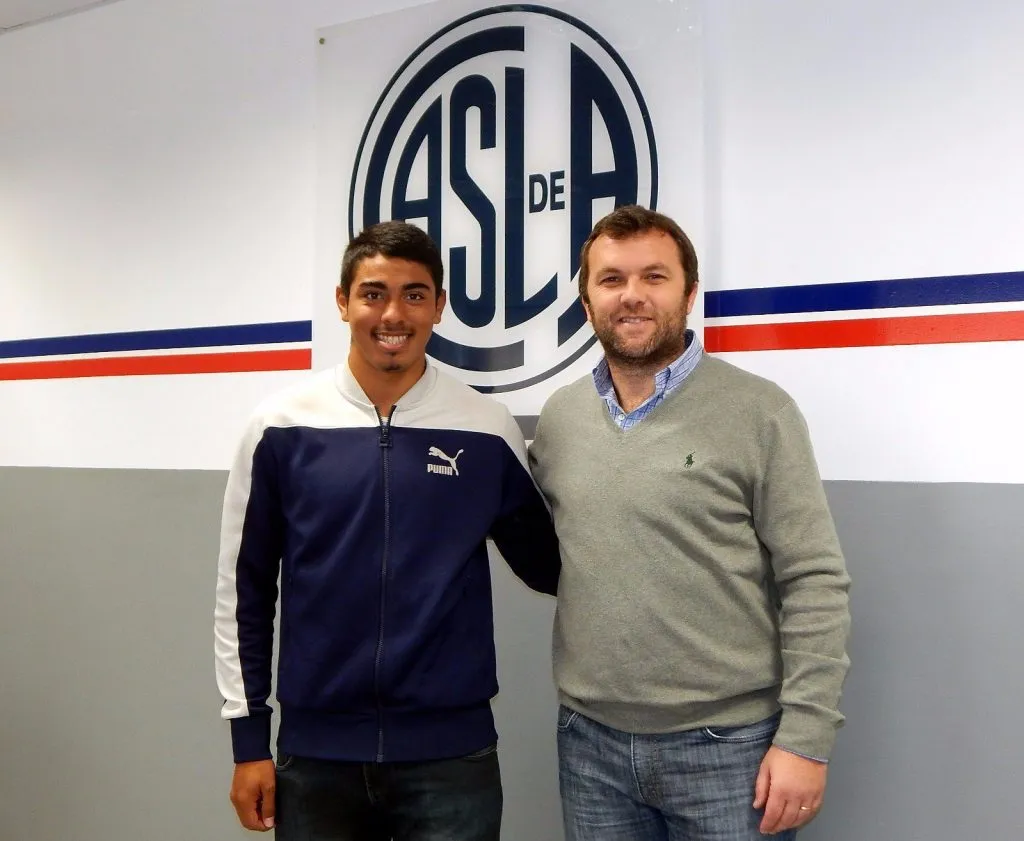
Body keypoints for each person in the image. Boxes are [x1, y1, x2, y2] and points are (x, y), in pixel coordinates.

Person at [214, 220, 560, 840]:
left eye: (415, 294)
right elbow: (242, 593)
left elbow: (550, 566)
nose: (393, 313)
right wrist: (248, 740)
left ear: (439, 307)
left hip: (452, 758)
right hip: (316, 758)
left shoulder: (485, 428)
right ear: (343, 302)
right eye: (373, 293)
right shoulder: (280, 427)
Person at [529, 205, 851, 840]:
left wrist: (807, 739)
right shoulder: (559, 419)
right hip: (588, 743)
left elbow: (815, 581)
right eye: (612, 279)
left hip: (730, 750)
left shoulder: (761, 412)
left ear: (689, 292)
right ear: (586, 297)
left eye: (655, 277)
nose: (633, 297)